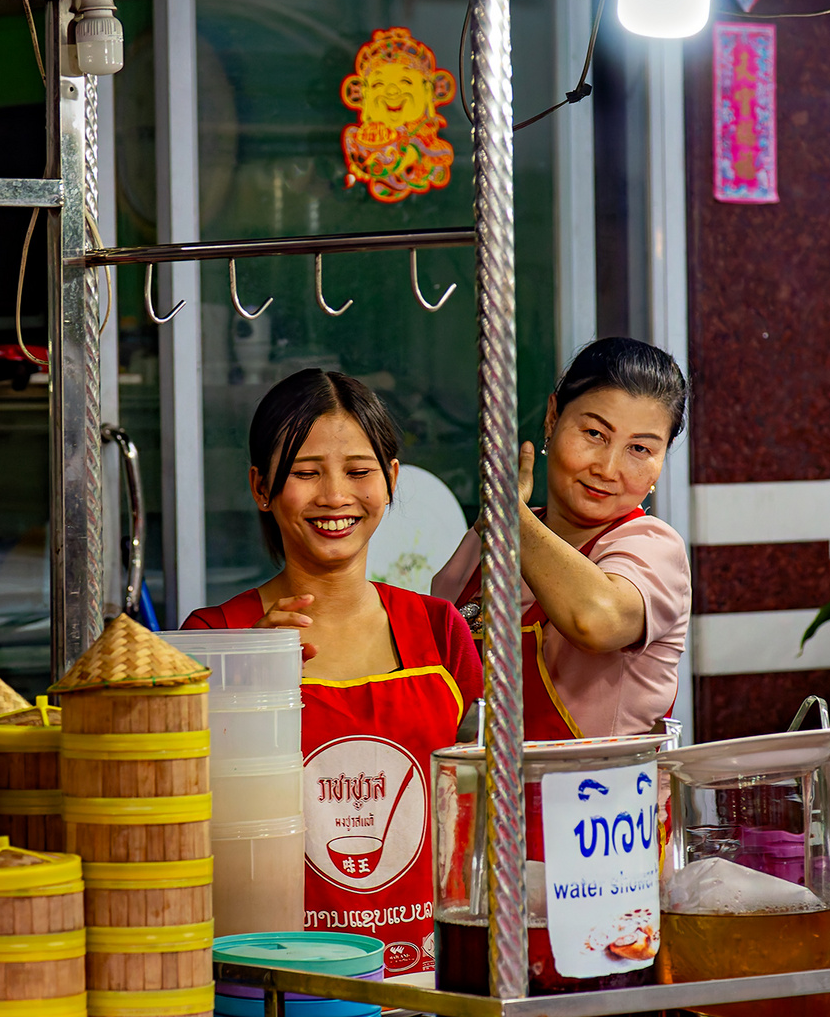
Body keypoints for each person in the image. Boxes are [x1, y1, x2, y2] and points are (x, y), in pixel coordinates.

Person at [183, 369, 483, 976]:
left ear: (392, 480)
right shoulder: (216, 638)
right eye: (305, 472)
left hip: (427, 976)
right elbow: (183, 818)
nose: (334, 496)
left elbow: (485, 813)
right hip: (272, 981)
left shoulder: (440, 630)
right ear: (261, 488)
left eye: (358, 470)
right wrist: (248, 682)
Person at [432, 337, 691, 740]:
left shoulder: (653, 547)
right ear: (553, 418)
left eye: (639, 448)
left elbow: (595, 620)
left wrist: (509, 515)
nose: (607, 468)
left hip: (600, 799)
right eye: (593, 433)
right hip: (482, 796)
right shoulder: (493, 534)